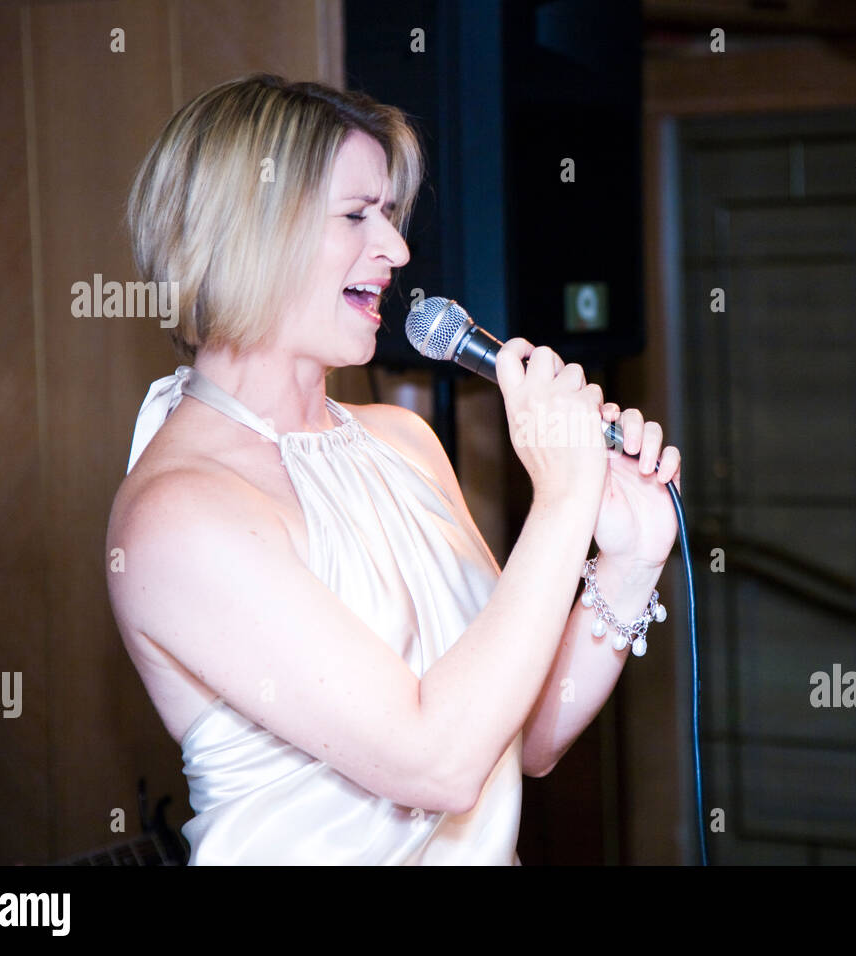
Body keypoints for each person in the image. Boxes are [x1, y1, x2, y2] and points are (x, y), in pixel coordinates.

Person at [106, 74, 681, 864]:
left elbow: (522, 739)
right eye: (355, 216)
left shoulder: (404, 441)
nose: (397, 250)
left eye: (388, 213)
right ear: (246, 233)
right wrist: (563, 498)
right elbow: (434, 764)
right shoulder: (178, 513)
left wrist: (629, 560)